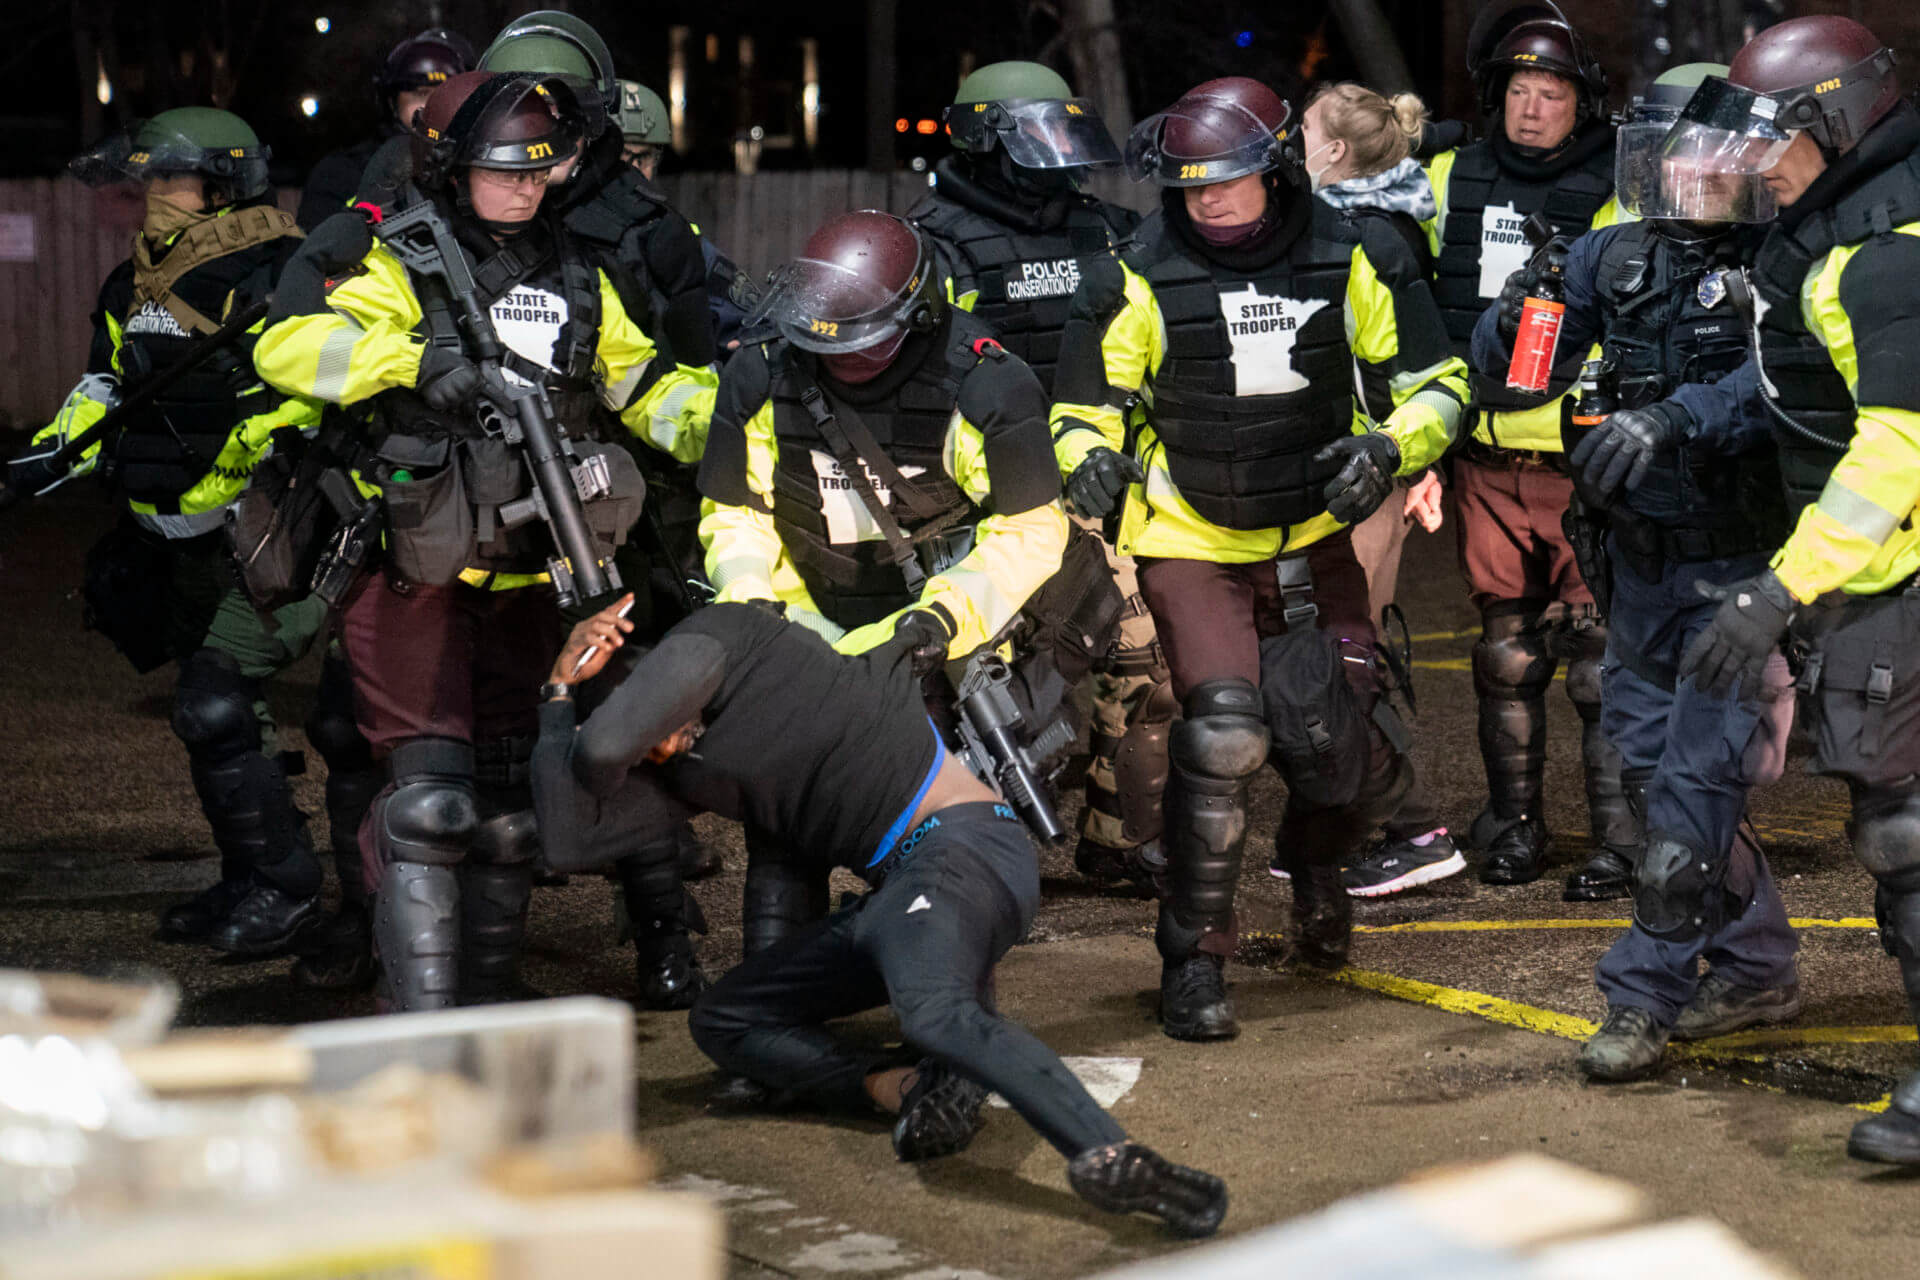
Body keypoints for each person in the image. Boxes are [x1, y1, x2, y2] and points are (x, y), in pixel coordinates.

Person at [530, 596, 1228, 1238]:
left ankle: (1110, 1155)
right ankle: (908, 1088)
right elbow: (568, 840)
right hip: (898, 895)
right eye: (648, 749)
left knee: (935, 1013)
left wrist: (589, 700)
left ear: (646, 676)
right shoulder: (693, 766)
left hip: (963, 848)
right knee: (724, 1019)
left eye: (647, 723)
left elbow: (601, 749)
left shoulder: (733, 636)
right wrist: (558, 694)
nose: (657, 747)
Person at [252, 69, 715, 1011]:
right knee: (430, 808)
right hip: (414, 575)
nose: (525, 189)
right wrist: (412, 362)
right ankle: (417, 1023)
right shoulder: (399, 257)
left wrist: (740, 417)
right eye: (505, 171)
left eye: (540, 172)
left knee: (510, 817)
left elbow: (647, 390)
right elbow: (287, 348)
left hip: (536, 583)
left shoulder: (580, 276)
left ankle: (493, 1019)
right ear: (452, 166)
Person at [1054, 76, 1467, 1039]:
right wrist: (1087, 461)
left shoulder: (1356, 252)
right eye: (1191, 184)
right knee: (1224, 737)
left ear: (1277, 165)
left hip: (1315, 532)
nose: (1208, 200)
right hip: (1192, 538)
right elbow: (1084, 408)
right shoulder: (1133, 272)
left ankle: (1317, 867)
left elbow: (1440, 384)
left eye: (1227, 179)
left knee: (1340, 747)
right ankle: (1195, 960)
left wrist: (1388, 450)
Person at [1474, 64, 1803, 1079]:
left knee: (1692, 792)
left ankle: (1641, 995)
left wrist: (1678, 416)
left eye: (1713, 153)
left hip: (1739, 568)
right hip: (1636, 567)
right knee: (1662, 787)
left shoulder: (1787, 256)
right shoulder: (1612, 255)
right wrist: (1516, 313)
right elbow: (1516, 379)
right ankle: (1757, 965)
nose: (1692, 171)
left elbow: (1787, 377)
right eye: (1675, 152)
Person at [1666, 16, 1920, 1162]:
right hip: (1880, 571)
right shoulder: (1836, 229)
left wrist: (1782, 587)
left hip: (1894, 569)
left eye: (1774, 139)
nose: (1755, 164)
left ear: (1840, 122)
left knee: (1904, 829)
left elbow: (1896, 451)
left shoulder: (1886, 254)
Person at [698, 209, 1076, 959]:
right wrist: (755, 610)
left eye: (863, 342)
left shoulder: (987, 382)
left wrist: (942, 620)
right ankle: (773, 988)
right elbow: (736, 514)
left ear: (916, 314)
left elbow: (1031, 529)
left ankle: (929, 981)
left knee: (925, 825)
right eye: (825, 343)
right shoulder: (763, 371)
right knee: (781, 812)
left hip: (934, 633)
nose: (842, 359)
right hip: (804, 625)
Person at [10, 108, 333, 957]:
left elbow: (318, 398)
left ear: (225, 187)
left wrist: (249, 448)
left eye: (170, 179)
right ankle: (248, 873)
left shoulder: (282, 275)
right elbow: (105, 388)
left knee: (213, 701)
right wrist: (47, 458)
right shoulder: (133, 282)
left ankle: (289, 888)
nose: (150, 194)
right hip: (172, 536)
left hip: (264, 540)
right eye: (146, 178)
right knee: (219, 717)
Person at [479, 15, 724, 1004]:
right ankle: (450, 953)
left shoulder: (641, 226)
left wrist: (730, 439)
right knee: (469, 741)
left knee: (627, 722)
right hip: (469, 509)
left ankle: (662, 931)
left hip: (616, 508)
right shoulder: (442, 219)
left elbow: (676, 375)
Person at [907, 60, 1171, 894]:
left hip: (1096, 483)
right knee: (966, 681)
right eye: (1036, 135)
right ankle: (949, 844)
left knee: (1141, 655)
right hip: (978, 498)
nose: (1056, 155)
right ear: (983, 140)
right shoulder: (931, 247)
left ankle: (1119, 837)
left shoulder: (1109, 233)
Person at [1421, 0, 1636, 889]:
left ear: (1581, 104)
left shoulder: (1619, 187)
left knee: (1598, 667)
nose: (1532, 107)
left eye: (1552, 92)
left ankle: (1620, 840)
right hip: (1488, 457)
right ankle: (1515, 828)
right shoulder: (1449, 178)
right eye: (1519, 90)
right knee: (1505, 659)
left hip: (1587, 465)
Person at [1296, 81, 1462, 898]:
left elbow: (1403, 373)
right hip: (1377, 474)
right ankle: (1344, 824)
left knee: (1346, 660)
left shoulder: (1363, 238)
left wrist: (1401, 463)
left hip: (1361, 479)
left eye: (1304, 129)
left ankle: (1412, 831)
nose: (1292, 140)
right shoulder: (1393, 222)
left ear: (1335, 150)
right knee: (1341, 654)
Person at [615, 78, 758, 353]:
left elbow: (747, 320)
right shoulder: (561, 232)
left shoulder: (678, 239)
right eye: (621, 155)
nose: (633, 170)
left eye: (643, 158)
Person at [297, 28, 475, 231]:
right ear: (391, 103)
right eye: (421, 93)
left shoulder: (480, 173)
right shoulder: (341, 175)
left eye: (446, 96)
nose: (434, 107)